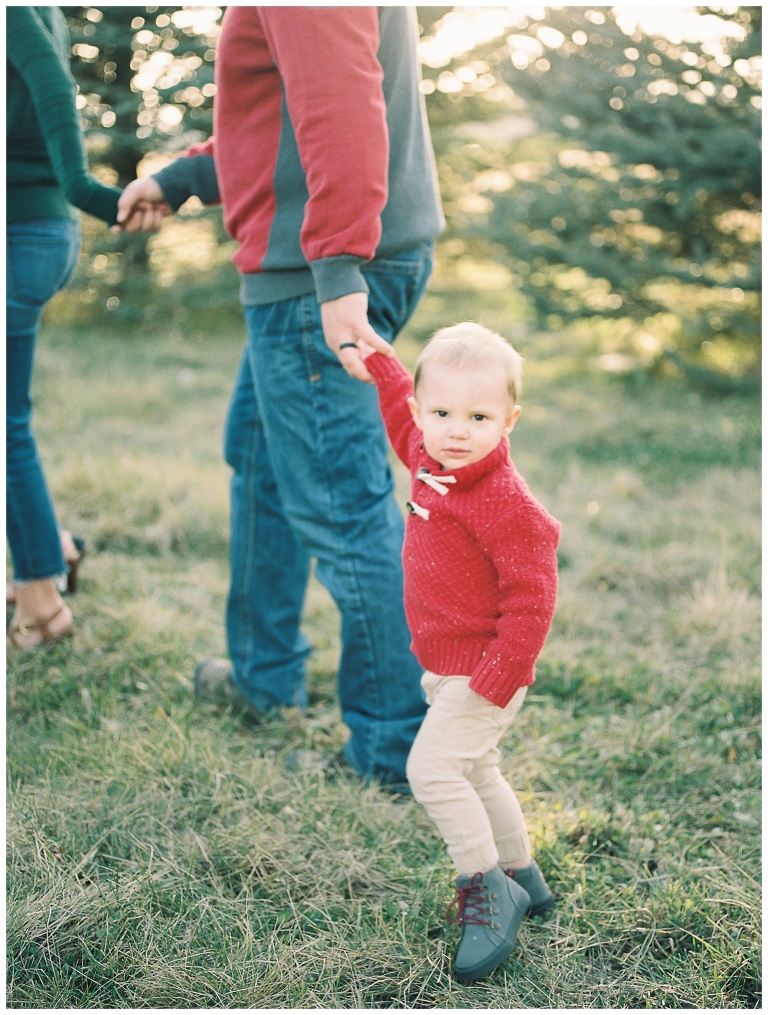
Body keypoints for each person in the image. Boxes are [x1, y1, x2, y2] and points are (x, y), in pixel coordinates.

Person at [117, 8, 443, 786]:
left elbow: (339, 105)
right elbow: (284, 115)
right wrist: (184, 177)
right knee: (262, 460)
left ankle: (392, 749)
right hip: (326, 267)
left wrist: (336, 267)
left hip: (319, 278)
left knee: (342, 504)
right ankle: (264, 677)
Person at [358, 323, 561, 981]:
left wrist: (500, 674)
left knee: (433, 769)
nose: (456, 430)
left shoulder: (505, 502)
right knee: (477, 770)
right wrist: (384, 366)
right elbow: (399, 420)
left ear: (509, 420)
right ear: (423, 412)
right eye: (442, 412)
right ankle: (522, 873)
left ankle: (485, 886)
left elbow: (532, 598)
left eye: (478, 417)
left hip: (487, 669)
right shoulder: (428, 457)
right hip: (443, 666)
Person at [6, 6, 122, 650]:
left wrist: (84, 188)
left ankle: (42, 605)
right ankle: (52, 547)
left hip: (20, 232)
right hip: (33, 231)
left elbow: (50, 80)